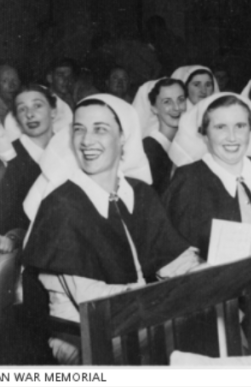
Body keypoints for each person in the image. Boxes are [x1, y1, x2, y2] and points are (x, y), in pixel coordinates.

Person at [22, 94, 204, 364]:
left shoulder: (139, 192)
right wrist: (170, 300)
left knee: (213, 328)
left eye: (100, 129)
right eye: (79, 130)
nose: (86, 141)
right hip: (81, 334)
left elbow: (174, 262)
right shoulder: (60, 204)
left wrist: (209, 274)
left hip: (140, 316)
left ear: (123, 137)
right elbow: (92, 301)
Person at [163, 93, 251, 259]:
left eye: (240, 126)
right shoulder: (188, 180)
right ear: (205, 135)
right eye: (220, 127)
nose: (232, 137)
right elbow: (181, 257)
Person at [0, 85, 66, 253]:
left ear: (53, 111)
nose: (29, 114)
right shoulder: (9, 159)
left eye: (37, 105)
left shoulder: (72, 152)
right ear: (17, 119)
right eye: (22, 109)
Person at [132, 78, 187, 195]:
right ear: (154, 108)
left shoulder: (185, 145)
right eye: (167, 102)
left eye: (181, 100)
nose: (176, 107)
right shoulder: (149, 150)